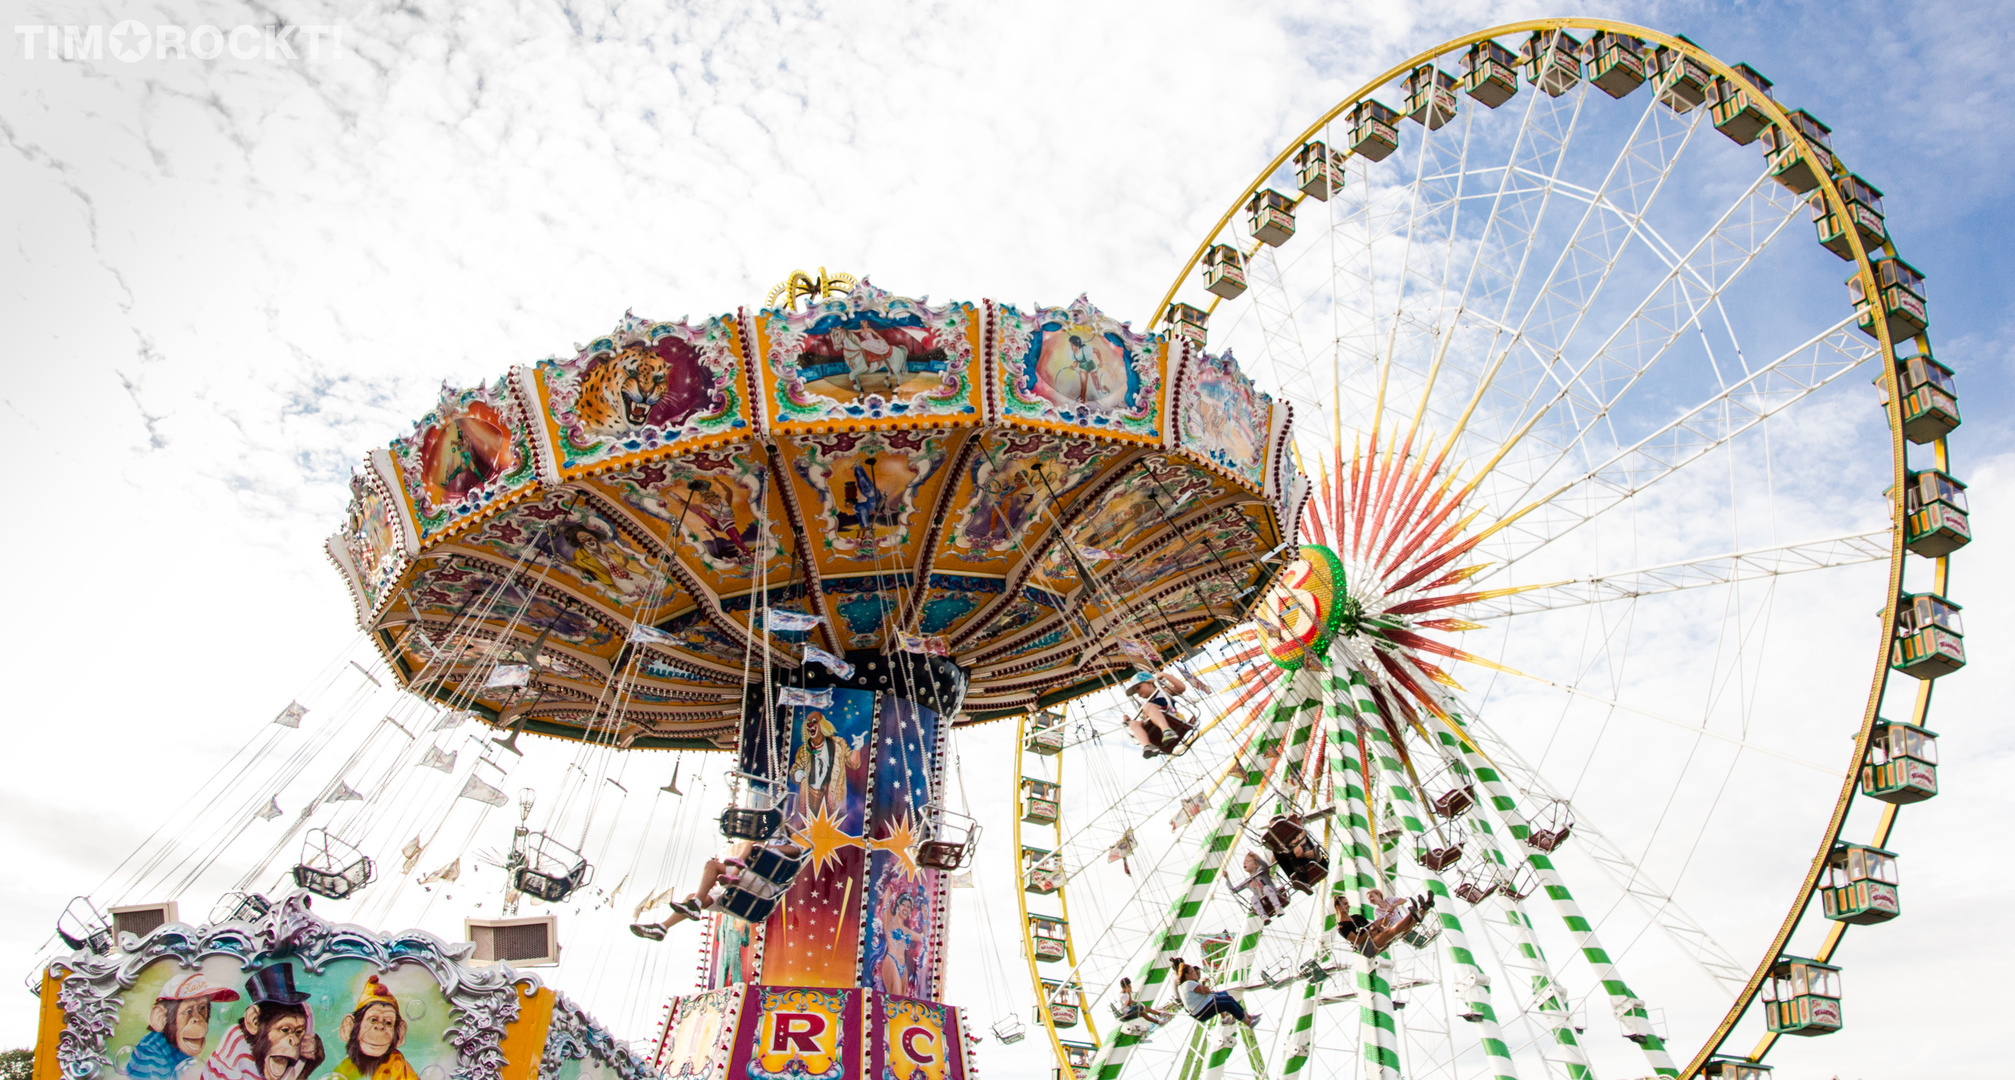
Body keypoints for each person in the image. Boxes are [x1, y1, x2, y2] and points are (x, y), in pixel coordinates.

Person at [629, 838, 806, 939]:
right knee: (694, 896)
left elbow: (797, 851)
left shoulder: (778, 843)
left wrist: (769, 846)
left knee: (712, 866)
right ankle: (663, 926)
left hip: (762, 886)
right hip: (748, 887)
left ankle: (702, 899)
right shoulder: (760, 842)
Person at [200, 964, 325, 1080]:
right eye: (285, 1030)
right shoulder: (237, 1044)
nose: (295, 1041)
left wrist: (312, 1056)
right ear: (254, 1022)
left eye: (298, 1032)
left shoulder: (295, 1047)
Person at [129, 972, 240, 1080]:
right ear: (161, 1019)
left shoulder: (180, 1047)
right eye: (188, 1012)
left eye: (202, 1008)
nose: (198, 1019)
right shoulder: (150, 1053)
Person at [331, 976, 417, 1080]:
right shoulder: (347, 1066)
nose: (380, 1027)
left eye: (388, 1022)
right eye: (373, 1020)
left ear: (399, 1033)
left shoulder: (397, 1067)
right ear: (350, 1026)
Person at [792, 712, 868, 820]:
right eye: (808, 723)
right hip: (810, 796)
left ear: (822, 724)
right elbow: (796, 768)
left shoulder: (839, 744)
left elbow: (854, 764)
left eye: (814, 722)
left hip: (832, 795)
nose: (810, 725)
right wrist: (796, 774)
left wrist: (857, 748)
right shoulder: (803, 750)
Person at [1126, 671, 1190, 756]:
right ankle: (1148, 746)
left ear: (1149, 683)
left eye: (1138, 688)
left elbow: (1181, 688)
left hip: (1171, 716)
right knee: (1133, 724)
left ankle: (1166, 730)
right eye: (1136, 691)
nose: (1138, 692)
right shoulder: (1148, 704)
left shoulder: (1162, 691)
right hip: (1155, 724)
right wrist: (1129, 722)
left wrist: (1165, 675)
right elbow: (1145, 719)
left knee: (1147, 706)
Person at [1175, 962, 1258, 1027]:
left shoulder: (1181, 986)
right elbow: (1206, 990)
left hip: (1201, 1009)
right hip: (1203, 1009)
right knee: (1228, 1004)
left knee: (1228, 998)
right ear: (1186, 975)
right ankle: (1248, 1022)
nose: (1195, 974)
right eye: (1192, 972)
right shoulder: (1189, 983)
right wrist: (1202, 983)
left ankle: (1248, 1016)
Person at [1231, 852, 1289, 923]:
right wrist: (1227, 878)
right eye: (1244, 861)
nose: (1245, 863)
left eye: (1248, 861)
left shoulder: (1261, 871)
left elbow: (1265, 865)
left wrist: (1257, 858)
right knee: (1253, 898)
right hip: (1262, 901)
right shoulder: (1247, 882)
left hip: (1273, 893)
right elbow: (1234, 890)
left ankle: (1278, 908)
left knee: (1266, 888)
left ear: (1256, 865)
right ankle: (1263, 916)